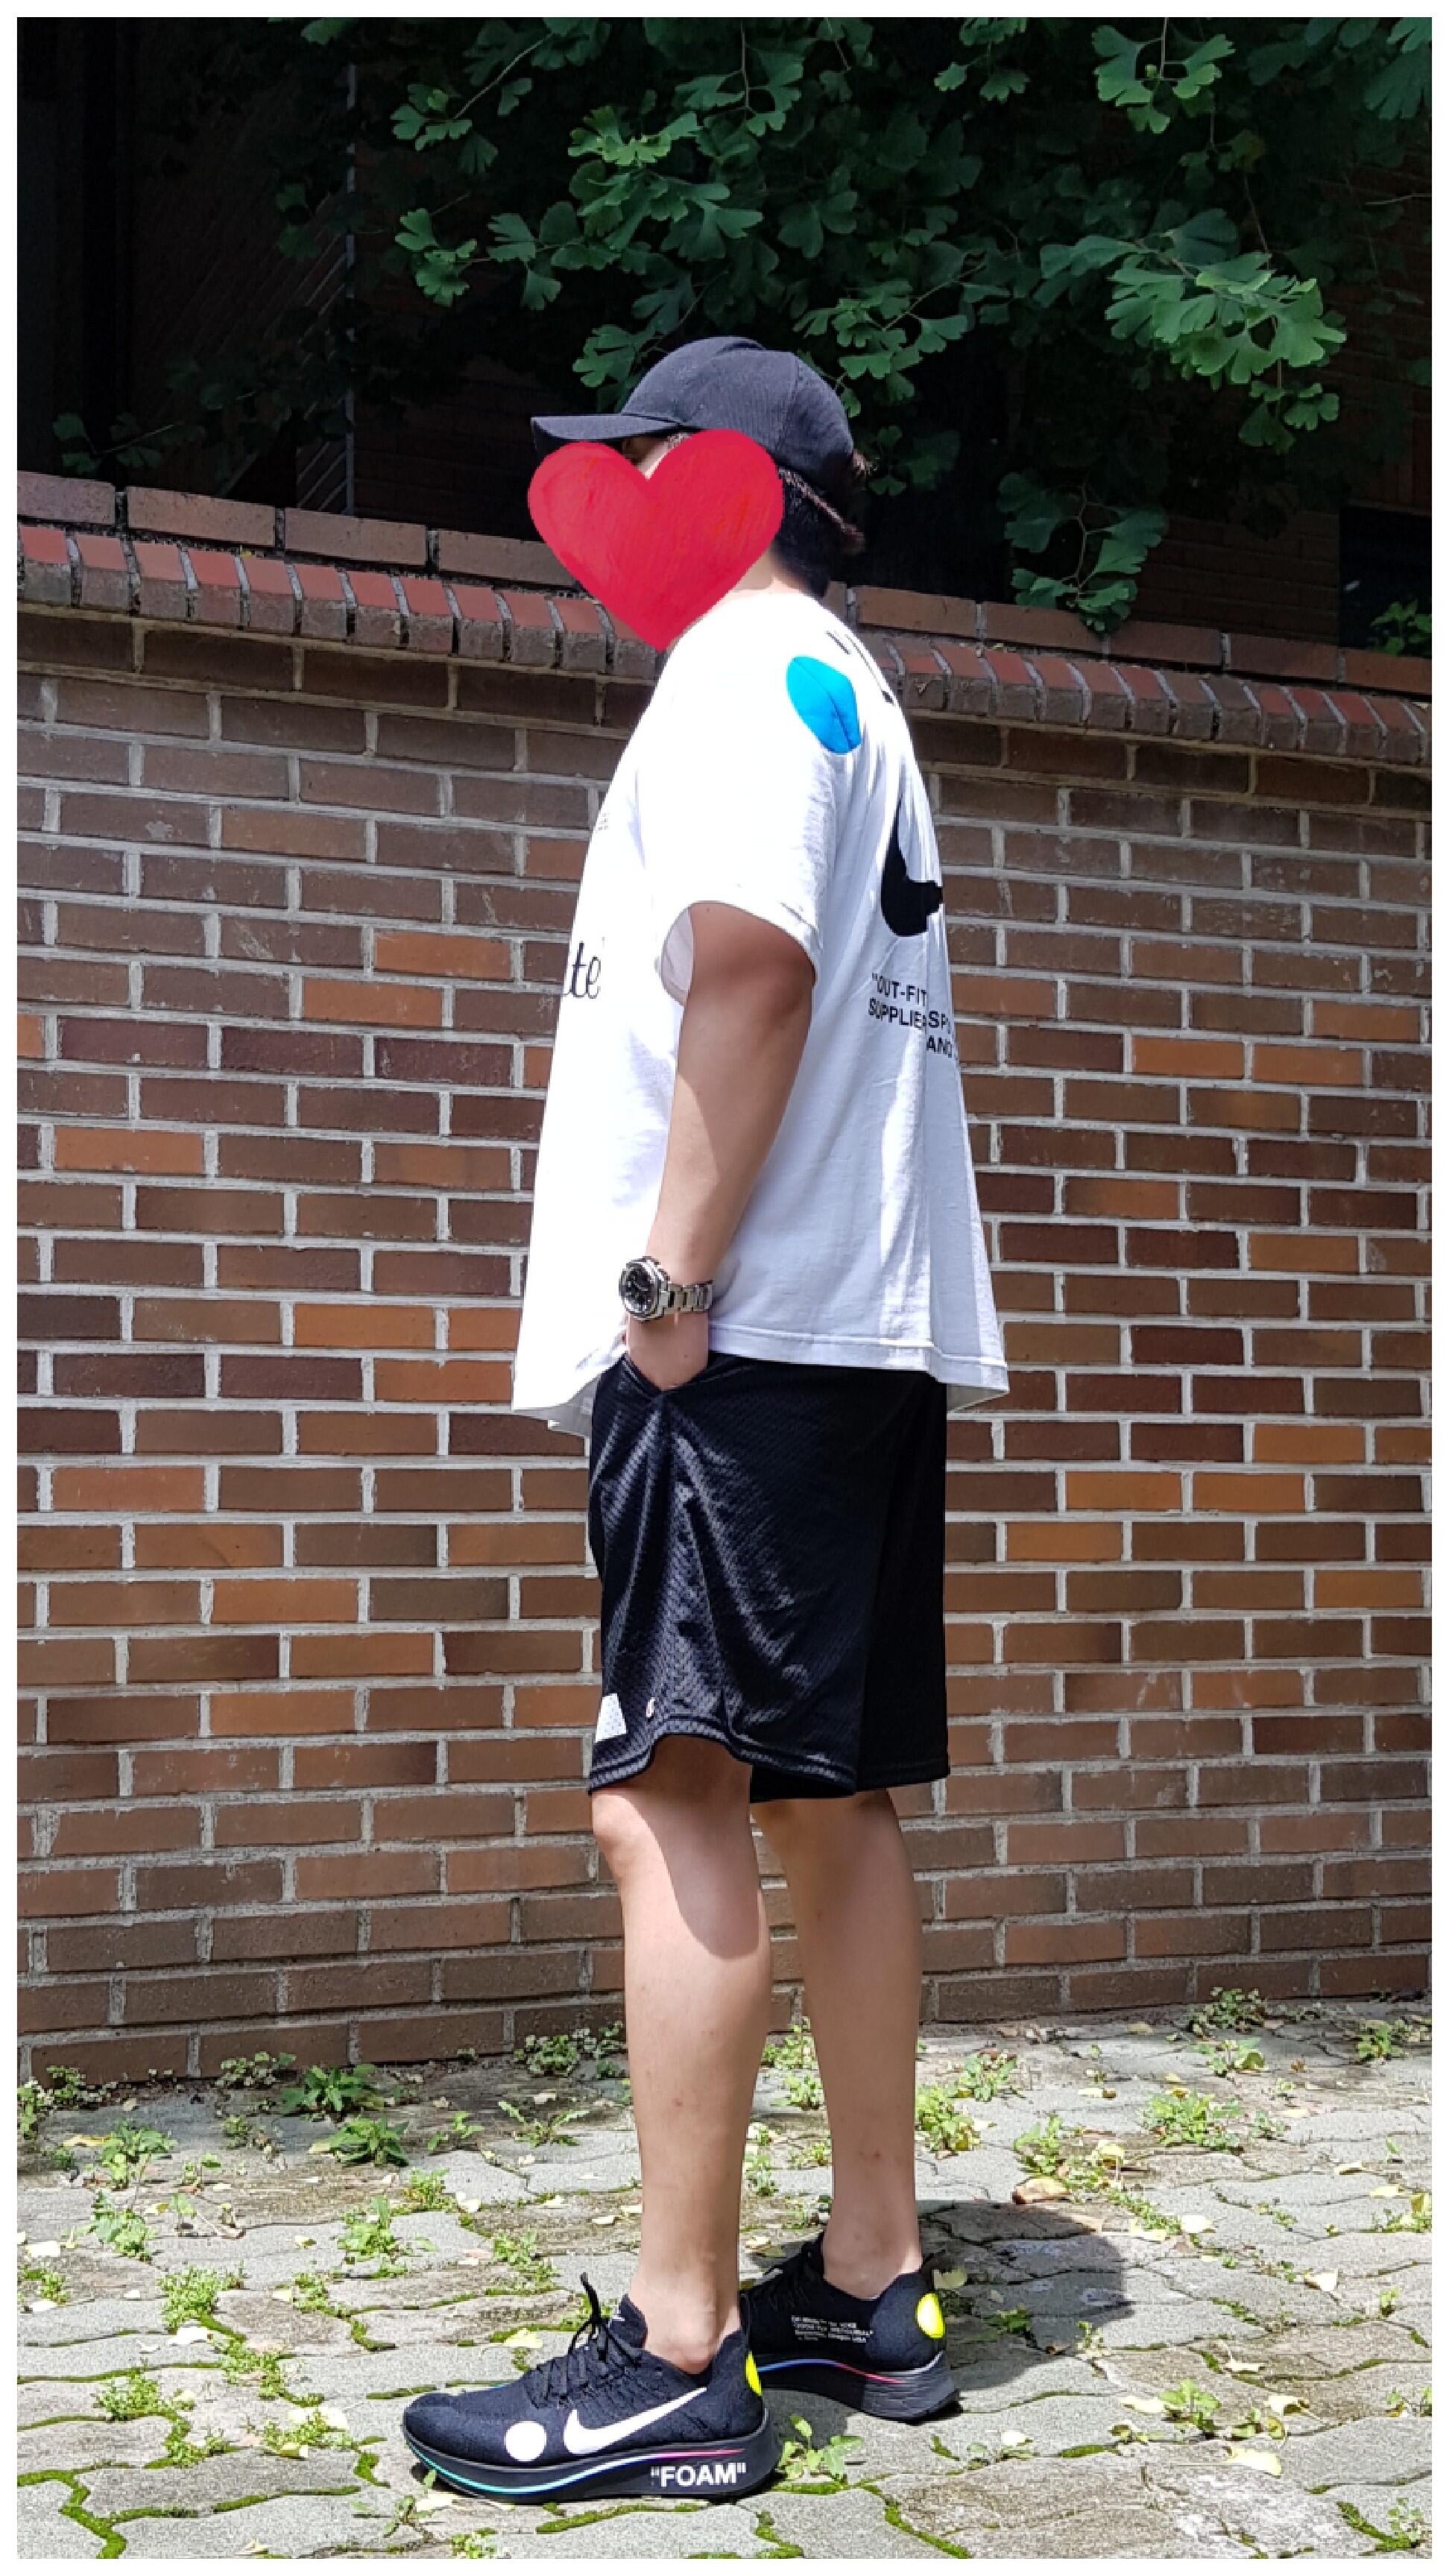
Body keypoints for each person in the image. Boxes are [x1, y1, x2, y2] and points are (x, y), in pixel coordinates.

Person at [403, 335, 1008, 2506]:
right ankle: (868, 2282)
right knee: (833, 1801)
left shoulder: (744, 673)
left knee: (666, 1795)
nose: (622, 496)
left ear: (729, 487)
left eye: (649, 461)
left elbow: (748, 968)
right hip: (858, 1332)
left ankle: (677, 2356)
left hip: (740, 1342)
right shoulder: (853, 692)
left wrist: (665, 1290)